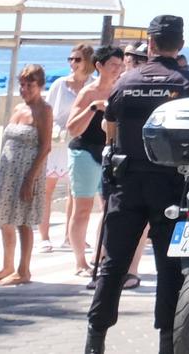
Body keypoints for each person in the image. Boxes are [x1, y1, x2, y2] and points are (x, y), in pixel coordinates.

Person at [85, 15, 189, 354]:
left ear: (150, 43)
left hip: (127, 184)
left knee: (113, 265)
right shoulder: (187, 83)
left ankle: (95, 340)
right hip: (170, 185)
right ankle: (167, 344)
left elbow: (109, 129)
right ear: (180, 45)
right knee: (171, 268)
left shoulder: (126, 81)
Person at [0, 63, 52, 286]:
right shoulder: (18, 108)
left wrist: (30, 179)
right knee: (6, 218)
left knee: (23, 220)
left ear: (39, 85)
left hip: (27, 171)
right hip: (8, 171)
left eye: (29, 85)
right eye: (22, 85)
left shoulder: (43, 110)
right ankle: (7, 265)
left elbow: (45, 146)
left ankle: (24, 270)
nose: (25, 89)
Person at [65, 45, 124, 278]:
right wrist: (94, 108)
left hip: (110, 153)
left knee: (109, 208)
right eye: (112, 65)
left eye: (120, 66)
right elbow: (72, 128)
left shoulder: (122, 89)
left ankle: (98, 255)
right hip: (84, 152)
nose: (117, 70)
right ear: (99, 66)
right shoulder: (88, 92)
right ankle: (80, 261)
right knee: (82, 209)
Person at [42, 44, 93, 256]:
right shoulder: (60, 85)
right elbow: (48, 112)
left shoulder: (92, 85)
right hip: (58, 142)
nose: (73, 63)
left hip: (80, 142)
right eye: (70, 59)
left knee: (76, 192)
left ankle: (69, 236)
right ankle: (44, 236)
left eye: (77, 59)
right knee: (47, 189)